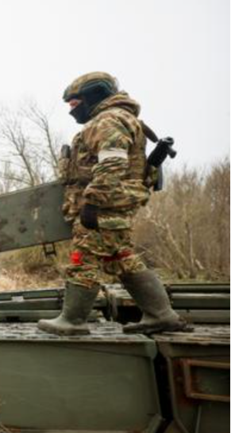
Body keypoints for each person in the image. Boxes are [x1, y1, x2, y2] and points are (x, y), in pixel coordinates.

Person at [38, 72, 189, 336]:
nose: (72, 111)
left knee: (84, 259)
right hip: (117, 204)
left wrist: (92, 202)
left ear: (92, 96)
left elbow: (112, 164)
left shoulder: (108, 121)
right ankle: (161, 315)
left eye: (74, 104)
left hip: (105, 207)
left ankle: (72, 321)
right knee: (122, 258)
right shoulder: (122, 119)